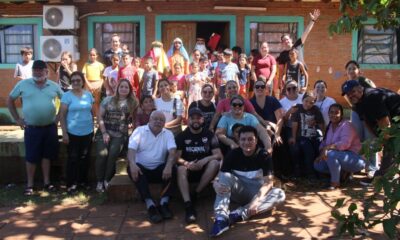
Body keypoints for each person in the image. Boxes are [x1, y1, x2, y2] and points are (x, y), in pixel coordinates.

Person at [210, 126, 285, 237]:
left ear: (256, 140)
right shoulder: (233, 154)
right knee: (225, 177)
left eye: (250, 139)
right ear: (238, 141)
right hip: (239, 192)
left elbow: (268, 182)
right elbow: (221, 175)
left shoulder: (264, 156)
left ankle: (238, 214)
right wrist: (215, 183)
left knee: (280, 194)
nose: (247, 142)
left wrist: (255, 201)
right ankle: (221, 218)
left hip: (257, 193)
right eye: (243, 139)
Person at [7, 60, 63, 195]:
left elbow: (65, 100)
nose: (37, 72)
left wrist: (58, 117)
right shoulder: (23, 84)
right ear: (32, 72)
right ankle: (30, 185)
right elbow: (10, 99)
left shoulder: (54, 86)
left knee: (47, 156)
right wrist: (17, 119)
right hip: (32, 128)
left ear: (46, 72)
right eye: (35, 70)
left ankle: (47, 183)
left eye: (40, 70)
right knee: (31, 157)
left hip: (50, 127)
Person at [341, 80, 400, 186]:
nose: (350, 95)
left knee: (390, 146)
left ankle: (381, 178)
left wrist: (383, 141)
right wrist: (377, 138)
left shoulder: (372, 97)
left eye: (352, 91)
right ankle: (386, 176)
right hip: (392, 123)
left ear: (360, 88)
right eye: (347, 94)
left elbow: (385, 124)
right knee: (390, 147)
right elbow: (367, 122)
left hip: (396, 121)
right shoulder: (358, 104)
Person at [127, 111, 177, 223]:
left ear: (164, 123)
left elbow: (172, 151)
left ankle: (164, 203)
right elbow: (131, 150)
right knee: (133, 168)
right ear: (149, 120)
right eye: (155, 118)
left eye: (161, 120)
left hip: (160, 170)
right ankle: (151, 206)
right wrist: (132, 164)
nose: (158, 121)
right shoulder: (139, 131)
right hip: (142, 169)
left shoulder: (168, 134)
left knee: (173, 168)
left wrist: (169, 165)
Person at [175, 108, 223, 223]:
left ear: (202, 120)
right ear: (188, 120)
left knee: (214, 163)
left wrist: (204, 160)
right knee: (180, 169)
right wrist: (187, 163)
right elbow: (176, 158)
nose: (195, 120)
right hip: (188, 169)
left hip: (205, 171)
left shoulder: (210, 135)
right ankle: (188, 205)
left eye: (198, 118)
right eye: (192, 118)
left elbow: (218, 155)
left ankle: (195, 194)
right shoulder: (181, 136)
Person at [95, 79, 138, 192]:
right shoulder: (108, 100)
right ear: (117, 88)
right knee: (102, 154)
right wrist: (104, 132)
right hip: (104, 131)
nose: (124, 89)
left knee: (113, 154)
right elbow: (100, 116)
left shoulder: (133, 102)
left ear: (129, 90)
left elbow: (135, 119)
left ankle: (107, 179)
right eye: (121, 86)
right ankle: (99, 181)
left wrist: (134, 133)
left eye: (126, 87)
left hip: (120, 134)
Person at [314, 104, 365, 190]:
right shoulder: (329, 126)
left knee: (331, 154)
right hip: (337, 155)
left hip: (355, 158)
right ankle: (343, 173)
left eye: (336, 113)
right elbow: (324, 142)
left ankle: (335, 182)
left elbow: (345, 144)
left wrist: (327, 148)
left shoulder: (347, 125)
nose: (333, 115)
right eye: (331, 112)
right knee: (317, 164)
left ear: (341, 114)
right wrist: (321, 152)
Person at [59, 71, 94, 194]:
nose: (75, 83)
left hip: (88, 132)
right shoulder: (67, 96)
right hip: (72, 132)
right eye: (73, 80)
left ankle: (83, 182)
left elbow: (92, 112)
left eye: (78, 80)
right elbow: (62, 115)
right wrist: (64, 133)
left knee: (85, 158)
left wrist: (93, 128)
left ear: (83, 82)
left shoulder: (88, 95)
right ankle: (71, 184)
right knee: (73, 159)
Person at [344, 60, 378, 178]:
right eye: (349, 69)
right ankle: (357, 165)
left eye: (354, 68)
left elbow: (375, 91)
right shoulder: (346, 85)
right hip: (356, 114)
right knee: (357, 140)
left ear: (358, 70)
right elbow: (348, 101)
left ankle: (372, 167)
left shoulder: (363, 81)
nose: (352, 71)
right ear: (346, 72)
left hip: (368, 114)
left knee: (370, 139)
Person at [289, 92, 324, 179]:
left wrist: (316, 123)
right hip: (302, 136)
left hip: (314, 135)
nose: (308, 104)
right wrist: (293, 137)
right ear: (302, 100)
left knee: (319, 148)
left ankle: (321, 171)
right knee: (309, 151)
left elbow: (321, 124)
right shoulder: (298, 108)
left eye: (311, 102)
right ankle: (310, 173)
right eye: (306, 101)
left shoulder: (315, 110)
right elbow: (294, 124)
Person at [82, 48, 105, 116]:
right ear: (89, 55)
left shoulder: (100, 65)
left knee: (97, 102)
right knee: (88, 102)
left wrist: (99, 85)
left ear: (96, 56)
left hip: (98, 84)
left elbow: (103, 77)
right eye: (91, 55)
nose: (92, 56)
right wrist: (89, 85)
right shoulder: (86, 65)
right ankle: (90, 116)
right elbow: (84, 76)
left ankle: (97, 117)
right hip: (88, 84)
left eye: (94, 55)